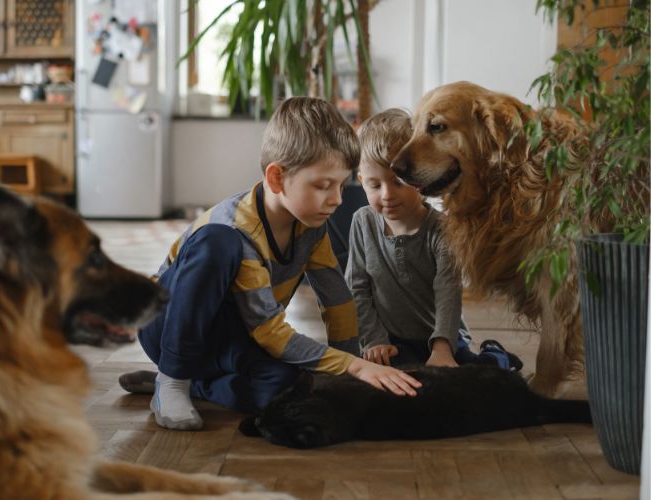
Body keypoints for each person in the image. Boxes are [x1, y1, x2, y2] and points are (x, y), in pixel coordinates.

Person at [120, 98, 421, 431]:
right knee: (217, 243)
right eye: (323, 185)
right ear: (277, 178)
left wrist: (347, 368)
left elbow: (336, 298)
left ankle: (198, 384)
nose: (336, 199)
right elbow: (269, 330)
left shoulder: (311, 224)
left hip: (233, 337)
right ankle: (173, 378)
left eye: (340, 185)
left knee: (290, 387)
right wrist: (353, 366)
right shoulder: (237, 227)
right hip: (168, 327)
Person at [346, 108, 523, 371]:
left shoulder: (443, 228)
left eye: (398, 181)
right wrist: (373, 340)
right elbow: (357, 288)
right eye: (375, 185)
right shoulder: (362, 223)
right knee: (395, 379)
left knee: (471, 376)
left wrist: (442, 347)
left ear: (422, 174)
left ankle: (495, 356)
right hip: (393, 340)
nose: (387, 195)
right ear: (362, 182)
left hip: (444, 336)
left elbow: (448, 291)